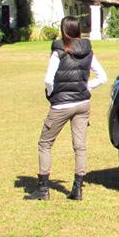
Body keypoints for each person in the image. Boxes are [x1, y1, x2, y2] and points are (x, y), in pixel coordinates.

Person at [25, 16, 108, 201]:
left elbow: (48, 79)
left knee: (45, 143)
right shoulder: (88, 50)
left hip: (61, 104)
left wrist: (51, 94)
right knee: (80, 147)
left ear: (63, 31)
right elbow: (103, 77)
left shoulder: (59, 50)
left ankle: (43, 189)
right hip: (82, 104)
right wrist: (87, 87)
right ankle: (77, 188)